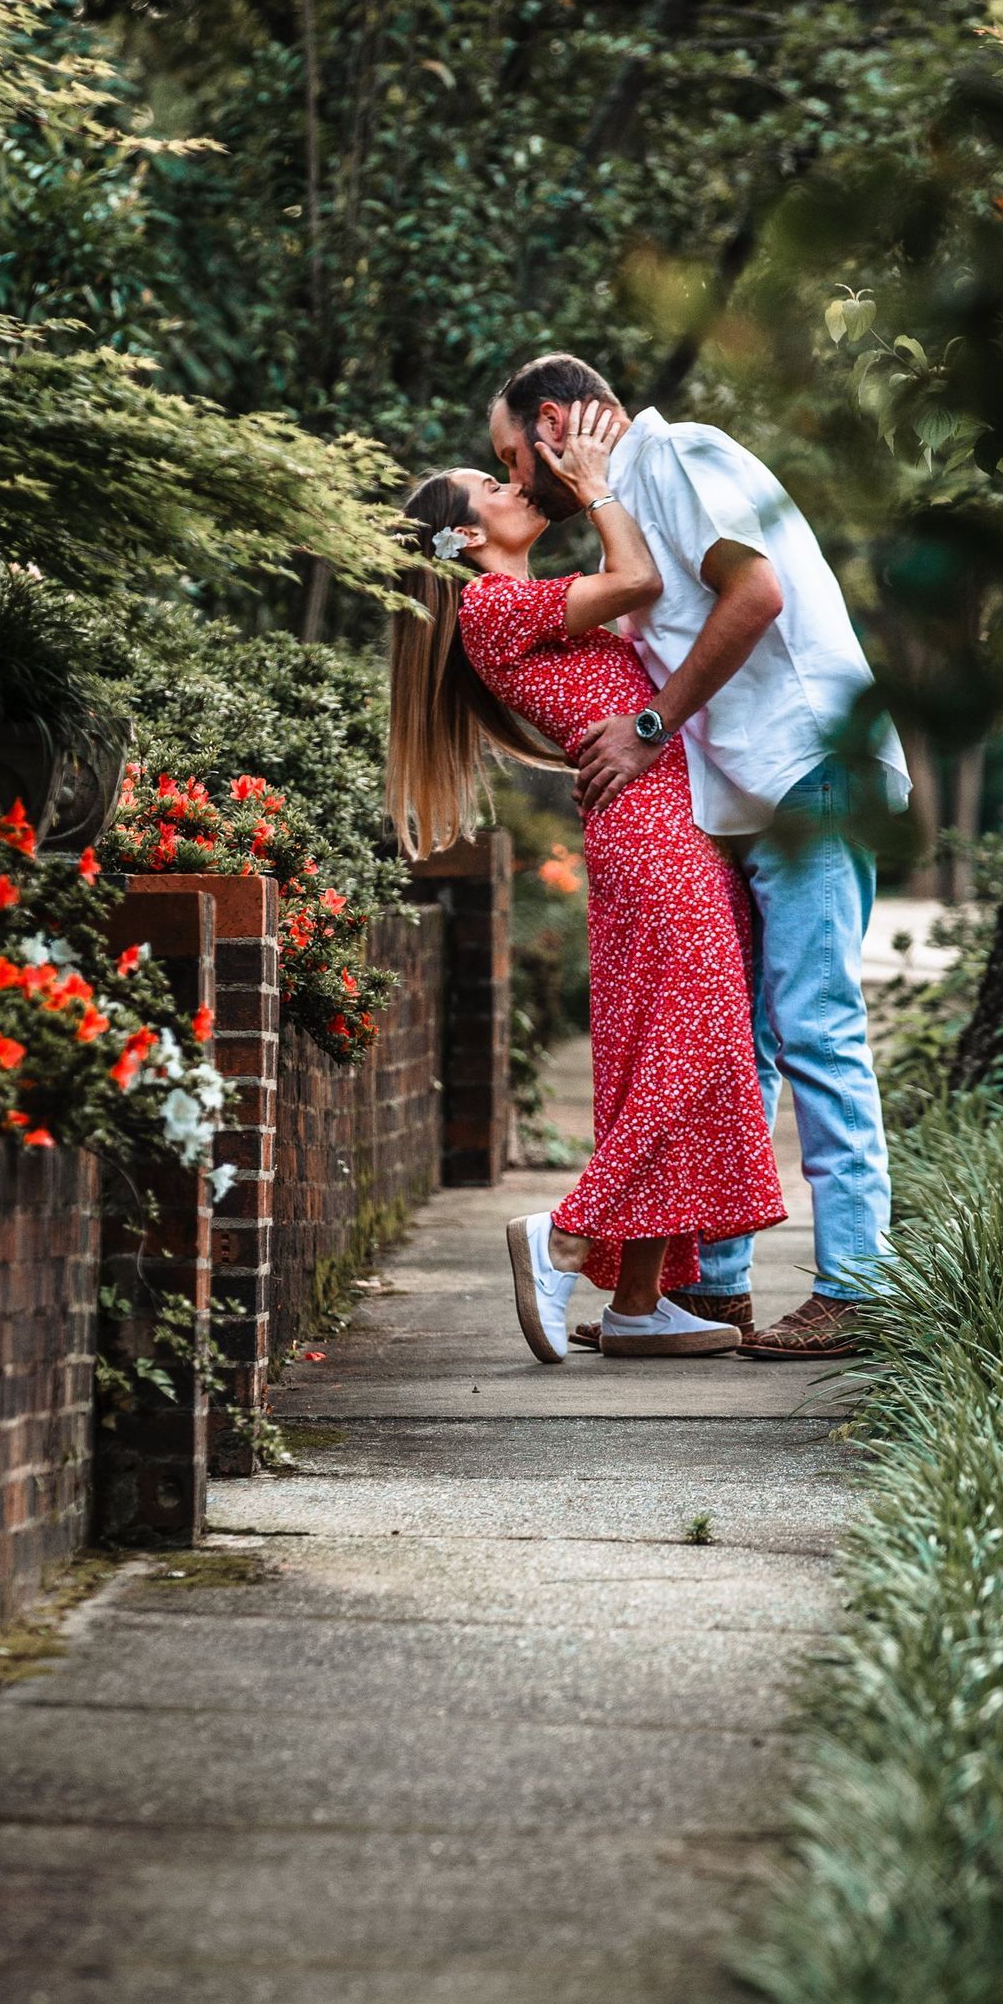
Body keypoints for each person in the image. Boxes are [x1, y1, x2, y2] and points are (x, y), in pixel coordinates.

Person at [487, 353, 910, 1358]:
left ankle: (858, 1287)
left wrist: (647, 724)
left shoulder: (678, 456)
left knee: (813, 1023)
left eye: (510, 454)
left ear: (554, 423)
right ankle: (716, 1286)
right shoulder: (627, 500)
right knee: (751, 1040)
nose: (512, 476)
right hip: (752, 791)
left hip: (811, 769)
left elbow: (755, 593)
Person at [386, 403, 786, 1360]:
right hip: (649, 835)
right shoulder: (494, 606)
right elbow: (641, 575)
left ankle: (640, 1302)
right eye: (494, 487)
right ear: (464, 537)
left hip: (648, 830)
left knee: (663, 1049)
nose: (517, 485)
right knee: (693, 1045)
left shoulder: (515, 607)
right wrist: (600, 484)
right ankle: (565, 1234)